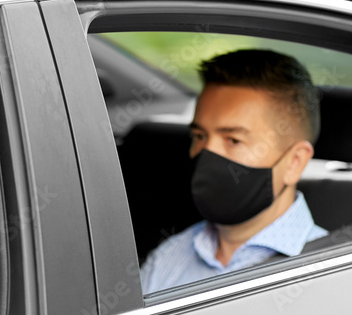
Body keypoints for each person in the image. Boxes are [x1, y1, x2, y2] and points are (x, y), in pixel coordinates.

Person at [140, 49, 328, 294]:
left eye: (234, 140)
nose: (206, 153)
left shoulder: (340, 266)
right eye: (199, 136)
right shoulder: (170, 256)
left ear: (294, 162)